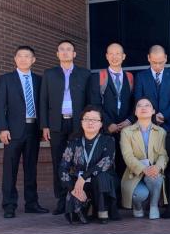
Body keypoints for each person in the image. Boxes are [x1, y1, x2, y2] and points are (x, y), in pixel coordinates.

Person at [0, 46, 49, 218]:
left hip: (33, 129)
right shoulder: (6, 79)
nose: (23, 59)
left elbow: (43, 104)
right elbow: (0, 106)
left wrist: (44, 126)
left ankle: (31, 203)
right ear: (15, 59)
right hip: (12, 131)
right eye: (20, 56)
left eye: (27, 56)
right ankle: (9, 205)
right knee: (10, 170)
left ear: (33, 60)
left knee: (31, 168)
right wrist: (2, 129)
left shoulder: (39, 80)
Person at [40, 39, 91, 215]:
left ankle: (79, 196)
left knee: (79, 161)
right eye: (61, 49)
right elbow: (43, 101)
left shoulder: (85, 74)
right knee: (59, 162)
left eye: (69, 49)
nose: (65, 52)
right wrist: (45, 126)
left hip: (78, 124)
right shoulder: (49, 74)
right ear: (57, 53)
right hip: (57, 123)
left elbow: (90, 101)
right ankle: (62, 200)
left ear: (74, 54)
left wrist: (89, 124)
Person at [88, 42, 134, 205]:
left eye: (118, 54)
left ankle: (123, 199)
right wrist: (108, 124)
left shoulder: (129, 77)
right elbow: (95, 104)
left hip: (126, 129)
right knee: (106, 163)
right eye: (111, 54)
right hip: (106, 130)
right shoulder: (98, 77)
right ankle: (108, 199)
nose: (115, 57)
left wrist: (129, 120)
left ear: (123, 57)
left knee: (124, 162)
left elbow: (134, 102)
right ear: (107, 56)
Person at [59, 105, 118, 224]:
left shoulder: (108, 140)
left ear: (101, 124)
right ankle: (86, 208)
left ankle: (103, 210)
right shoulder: (74, 142)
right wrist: (73, 188)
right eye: (86, 119)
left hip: (102, 184)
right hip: (80, 185)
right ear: (81, 122)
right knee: (75, 215)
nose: (90, 122)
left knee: (102, 176)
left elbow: (105, 163)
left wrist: (83, 177)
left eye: (95, 119)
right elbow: (62, 168)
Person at [120, 98, 167, 219]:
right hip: (134, 173)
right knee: (140, 194)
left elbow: (163, 154)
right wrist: (143, 169)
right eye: (139, 106)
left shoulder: (161, 132)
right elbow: (128, 156)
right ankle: (138, 206)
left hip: (153, 172)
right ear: (135, 112)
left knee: (156, 178)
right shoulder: (126, 132)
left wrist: (157, 167)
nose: (143, 108)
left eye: (147, 105)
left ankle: (153, 206)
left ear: (153, 111)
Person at [134, 45, 170, 130]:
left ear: (166, 58)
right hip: (148, 124)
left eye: (161, 62)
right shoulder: (140, 77)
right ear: (148, 58)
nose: (157, 66)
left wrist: (164, 115)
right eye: (154, 62)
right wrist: (153, 116)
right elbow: (138, 99)